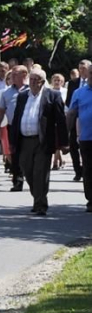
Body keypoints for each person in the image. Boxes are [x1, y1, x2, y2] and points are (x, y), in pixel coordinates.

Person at [10, 70, 68, 215]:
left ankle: (40, 204)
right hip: (24, 140)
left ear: (43, 81)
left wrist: (64, 142)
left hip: (42, 140)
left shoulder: (52, 95)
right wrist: (12, 141)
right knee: (27, 170)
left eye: (37, 79)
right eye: (32, 79)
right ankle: (38, 197)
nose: (33, 82)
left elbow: (60, 120)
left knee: (40, 172)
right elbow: (16, 118)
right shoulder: (23, 96)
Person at [0, 65, 29, 191]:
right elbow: (1, 110)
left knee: (29, 153)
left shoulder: (32, 90)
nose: (12, 77)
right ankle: (17, 181)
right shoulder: (7, 92)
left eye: (15, 74)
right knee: (14, 154)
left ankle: (30, 177)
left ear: (24, 75)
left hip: (29, 125)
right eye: (12, 75)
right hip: (12, 126)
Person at [67, 76, 92, 212]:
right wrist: (66, 134)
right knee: (88, 169)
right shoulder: (79, 92)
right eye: (91, 73)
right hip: (86, 137)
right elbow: (71, 113)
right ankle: (91, 200)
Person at [65, 60, 89, 182]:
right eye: (80, 68)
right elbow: (69, 102)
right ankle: (77, 171)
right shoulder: (73, 83)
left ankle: (86, 170)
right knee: (73, 145)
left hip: (87, 120)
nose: (82, 71)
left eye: (84, 68)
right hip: (75, 117)